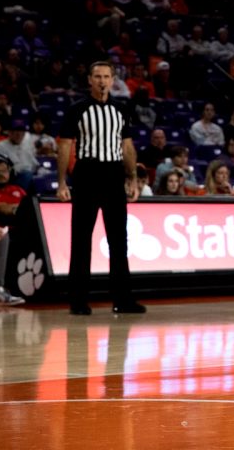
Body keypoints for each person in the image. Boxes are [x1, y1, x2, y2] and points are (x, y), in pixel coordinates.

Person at [56, 61, 147, 316]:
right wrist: (63, 182)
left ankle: (123, 299)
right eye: (97, 76)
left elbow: (127, 147)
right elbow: (64, 146)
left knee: (119, 240)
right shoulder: (77, 110)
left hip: (114, 174)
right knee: (81, 239)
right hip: (86, 174)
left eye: (106, 76)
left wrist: (132, 178)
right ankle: (78, 300)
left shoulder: (120, 109)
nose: (102, 81)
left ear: (113, 79)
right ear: (89, 80)